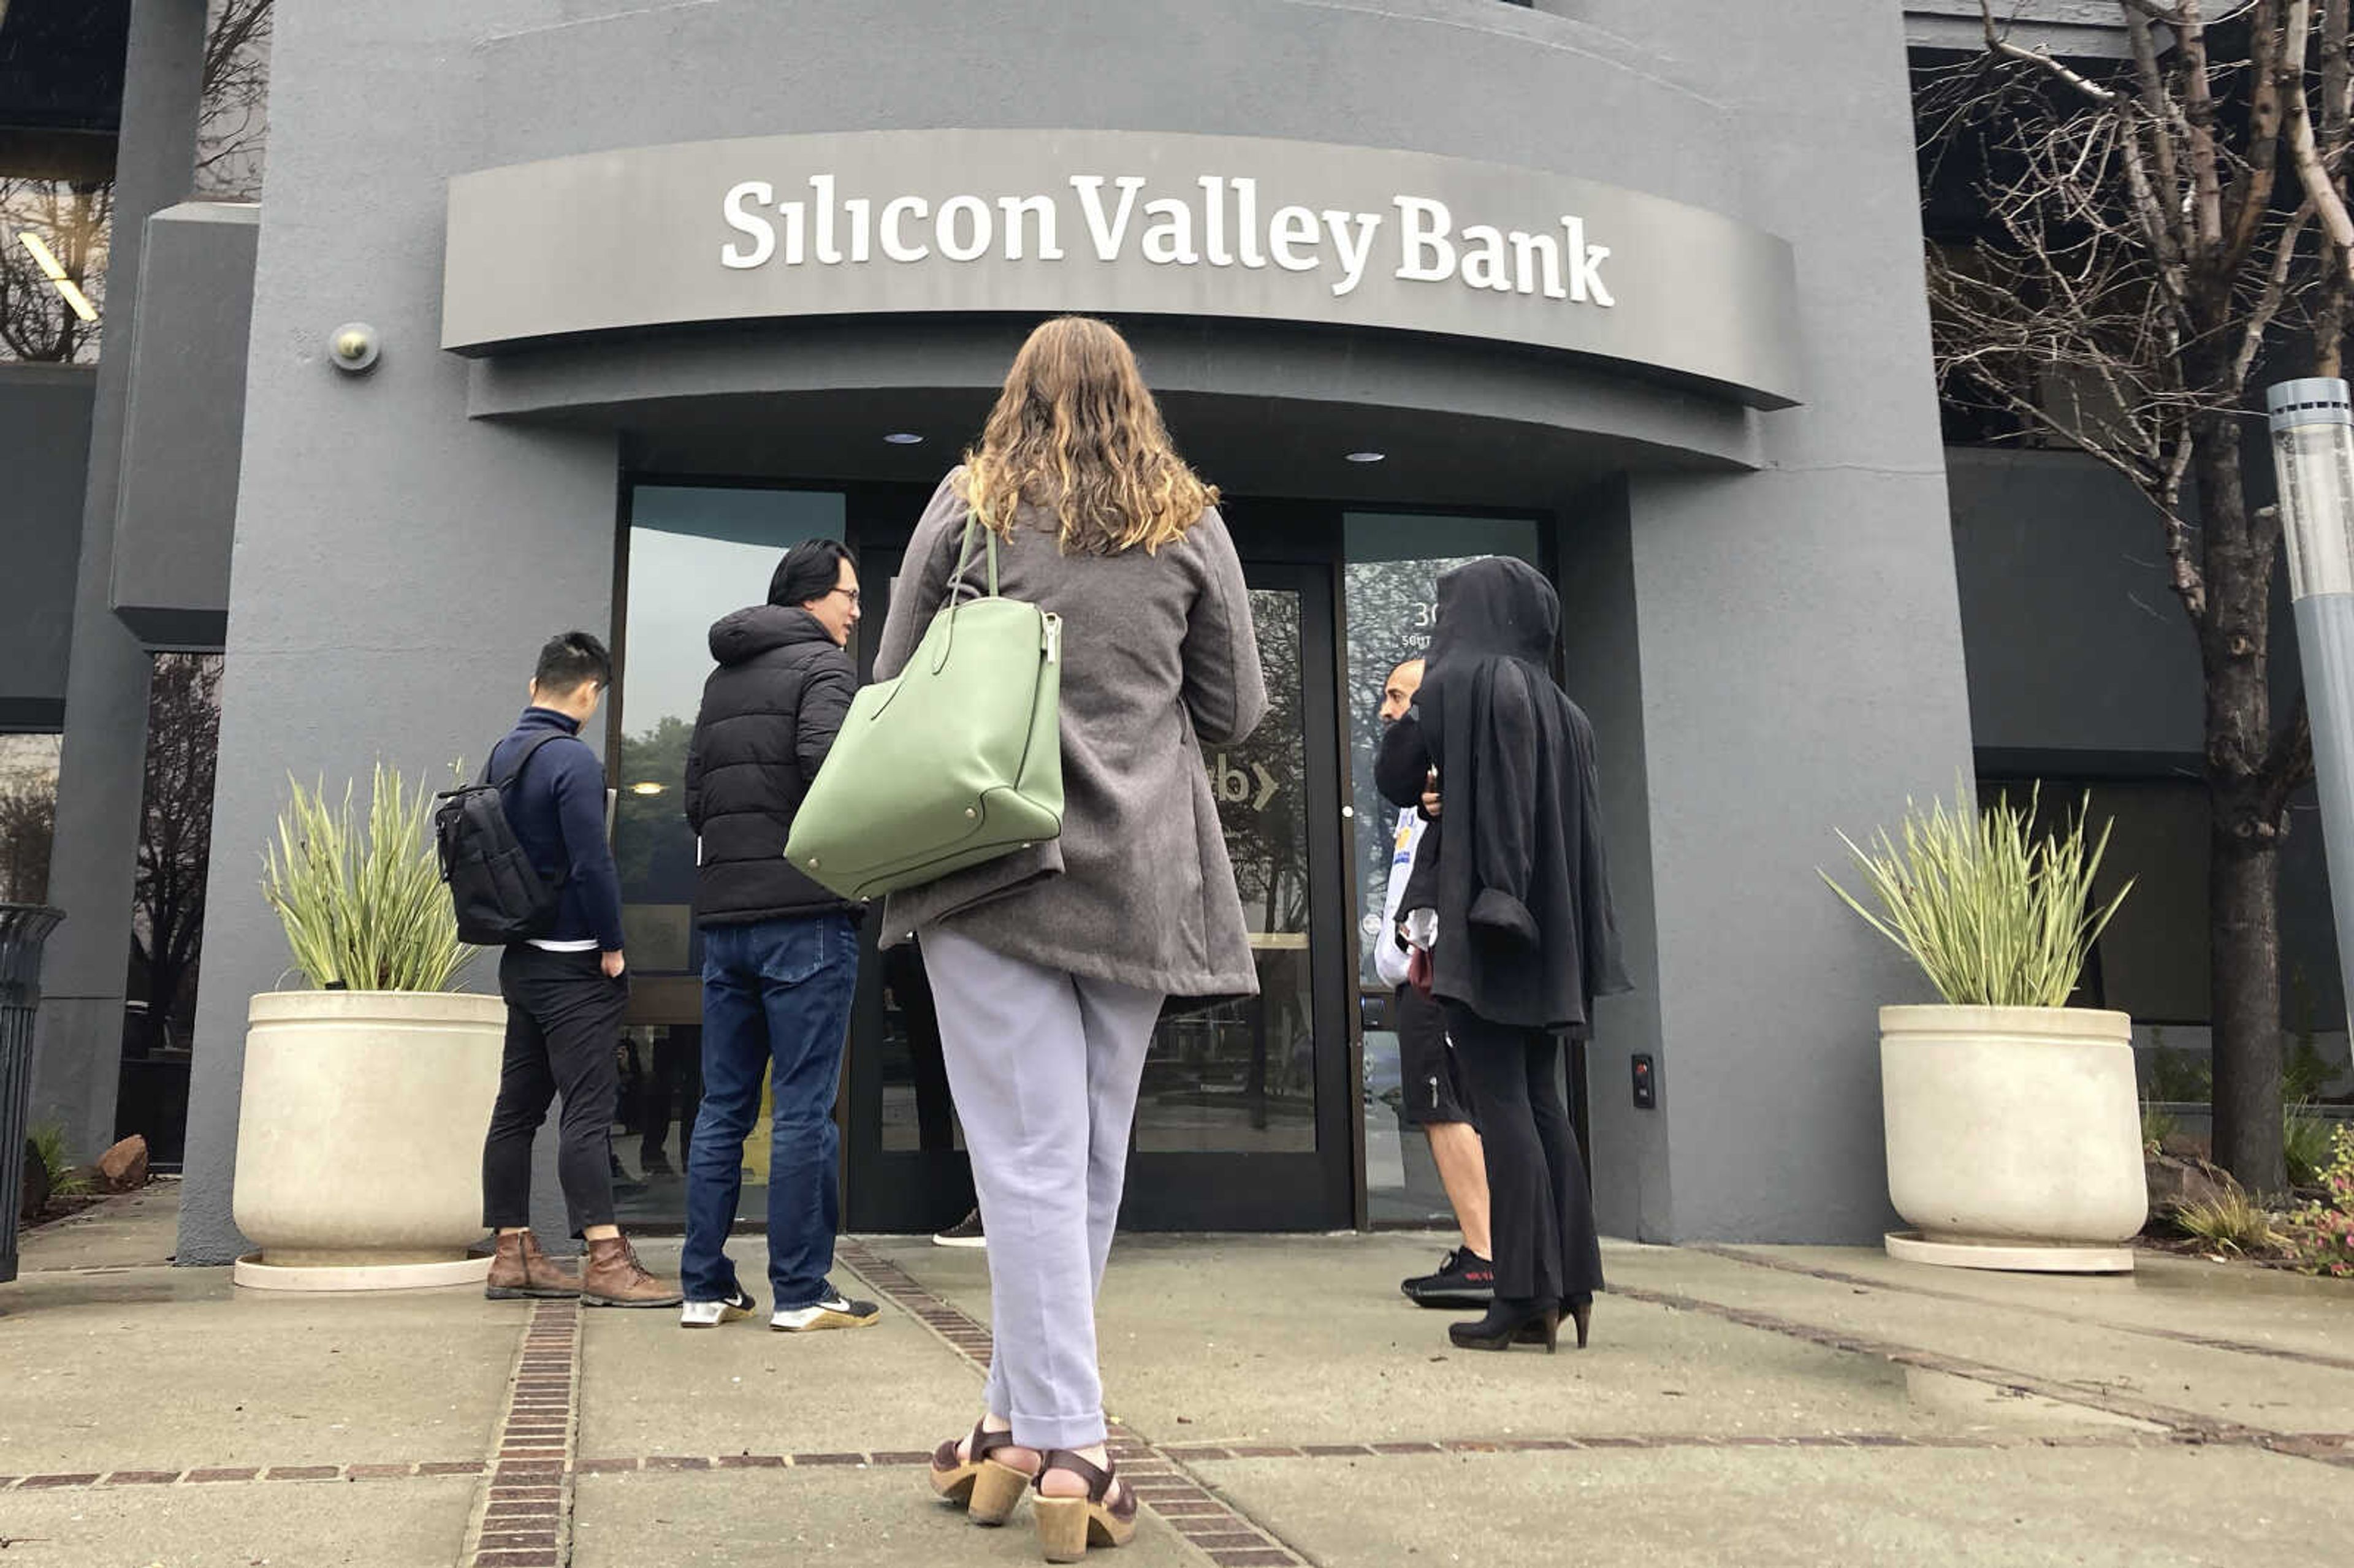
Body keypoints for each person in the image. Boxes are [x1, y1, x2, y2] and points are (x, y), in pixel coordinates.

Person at [897, 316, 1265, 1559]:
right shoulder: (1187, 519)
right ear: (1133, 398)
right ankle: (1012, 1424)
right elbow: (1238, 706)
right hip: (1140, 876)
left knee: (1029, 1159)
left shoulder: (971, 504)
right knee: (1085, 1159)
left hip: (986, 867)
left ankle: (1069, 1441)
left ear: (1018, 396)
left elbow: (897, 674)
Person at [1376, 558, 1627, 1354]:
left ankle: (1520, 1290)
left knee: (1498, 1103)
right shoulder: (1563, 710)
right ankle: (1571, 1281)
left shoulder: (1457, 688)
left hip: (1485, 920)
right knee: (1542, 1098)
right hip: (1550, 931)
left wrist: (1423, 749)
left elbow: (1393, 774)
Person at [677, 538, 880, 1333]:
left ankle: (704, 1285)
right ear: (808, 598)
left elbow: (695, 799)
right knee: (801, 1108)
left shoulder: (723, 678)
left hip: (727, 921)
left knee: (723, 1105)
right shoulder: (826, 669)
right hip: (806, 915)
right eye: (849, 596)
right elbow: (829, 765)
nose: (856, 611)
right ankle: (800, 1290)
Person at [479, 631, 682, 1307]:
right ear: (590, 692)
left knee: (516, 1109)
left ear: (534, 684)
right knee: (588, 1113)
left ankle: (512, 1252)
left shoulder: (503, 754)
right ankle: (604, 1256)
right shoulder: (572, 760)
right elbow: (594, 863)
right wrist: (615, 945)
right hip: (572, 965)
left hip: (521, 961)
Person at [1374, 656, 1495, 1309]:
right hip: (1416, 971)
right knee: (1446, 1107)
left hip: (1435, 975)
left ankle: (1485, 1254)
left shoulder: (1450, 787)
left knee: (1444, 1106)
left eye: (1400, 697)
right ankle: (1488, 1248)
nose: (1389, 710)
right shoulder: (1416, 796)